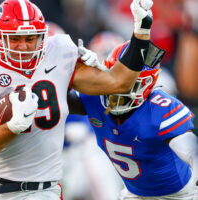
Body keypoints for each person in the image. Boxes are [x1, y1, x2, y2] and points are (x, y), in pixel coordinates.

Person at [0, 0, 158, 199]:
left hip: (44, 190)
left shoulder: (58, 53)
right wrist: (13, 126)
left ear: (42, 36)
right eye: (14, 39)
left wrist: (141, 33)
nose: (23, 47)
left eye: (30, 38)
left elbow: (119, 82)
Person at [68, 42, 198, 200]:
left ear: (147, 84)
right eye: (117, 79)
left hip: (177, 196)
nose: (120, 89)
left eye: (129, 85)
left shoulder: (160, 109)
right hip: (134, 194)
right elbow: (60, 98)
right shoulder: (95, 98)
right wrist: (71, 70)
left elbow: (192, 152)